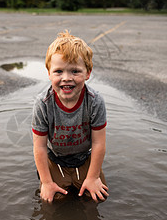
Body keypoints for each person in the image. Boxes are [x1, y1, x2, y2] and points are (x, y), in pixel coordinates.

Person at [32, 30, 109, 203]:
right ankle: (49, 178)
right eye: (58, 71)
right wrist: (46, 182)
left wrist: (92, 178)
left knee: (96, 196)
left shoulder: (95, 102)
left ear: (88, 73)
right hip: (56, 159)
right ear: (49, 72)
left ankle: (87, 176)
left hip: (83, 158)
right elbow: (40, 147)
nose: (66, 78)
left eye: (75, 71)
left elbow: (98, 143)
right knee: (54, 199)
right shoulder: (43, 104)